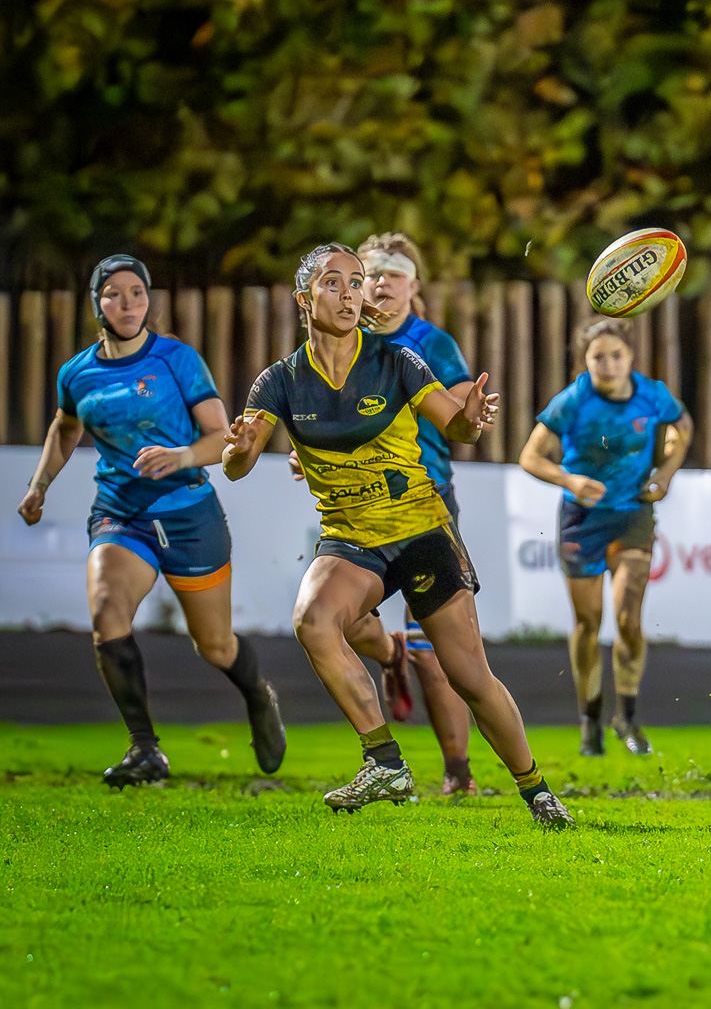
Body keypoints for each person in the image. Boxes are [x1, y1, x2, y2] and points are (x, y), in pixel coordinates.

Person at [221, 243, 572, 826]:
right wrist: (236, 452)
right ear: (305, 297)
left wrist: (473, 416)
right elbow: (241, 461)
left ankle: (535, 789)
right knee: (313, 619)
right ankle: (385, 760)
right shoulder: (280, 381)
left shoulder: (397, 360)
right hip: (352, 540)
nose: (350, 293)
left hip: (419, 529)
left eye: (356, 283)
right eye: (334, 283)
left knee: (469, 676)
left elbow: (454, 425)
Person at [17, 256, 285, 786]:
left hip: (189, 516)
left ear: (148, 300)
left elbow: (220, 438)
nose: (126, 303)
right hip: (121, 513)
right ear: (98, 302)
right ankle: (145, 749)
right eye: (113, 293)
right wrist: (39, 485)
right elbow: (66, 428)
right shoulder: (76, 372)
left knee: (214, 645)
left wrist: (180, 455)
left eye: (136, 292)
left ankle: (258, 693)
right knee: (108, 615)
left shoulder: (176, 360)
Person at [289, 233, 479, 795]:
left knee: (436, 651)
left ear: (414, 287)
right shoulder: (338, 341)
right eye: (371, 274)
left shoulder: (429, 342)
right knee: (333, 619)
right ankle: (389, 653)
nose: (381, 284)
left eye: (395, 274)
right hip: (353, 508)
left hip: (424, 501)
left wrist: (471, 406)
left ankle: (457, 772)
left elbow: (463, 403)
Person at [520, 319, 693, 757]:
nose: (609, 364)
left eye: (617, 355)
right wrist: (569, 480)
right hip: (582, 519)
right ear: (586, 361)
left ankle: (628, 717)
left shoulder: (653, 394)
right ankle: (589, 719)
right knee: (588, 623)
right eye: (599, 357)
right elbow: (530, 457)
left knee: (629, 619)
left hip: (633, 514)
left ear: (631, 358)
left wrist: (666, 473)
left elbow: (683, 426)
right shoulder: (573, 401)